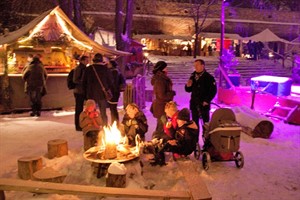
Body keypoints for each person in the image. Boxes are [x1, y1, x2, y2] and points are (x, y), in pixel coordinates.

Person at [184, 59, 217, 135]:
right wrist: (187, 86)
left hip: (204, 105)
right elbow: (188, 89)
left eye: (197, 65)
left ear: (203, 66)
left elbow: (213, 91)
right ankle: (195, 142)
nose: (195, 67)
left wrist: (207, 100)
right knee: (194, 125)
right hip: (194, 104)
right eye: (194, 65)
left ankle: (207, 142)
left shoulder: (209, 78)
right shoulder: (192, 76)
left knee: (205, 125)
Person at [83, 53, 115, 126]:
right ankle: (105, 126)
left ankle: (92, 126)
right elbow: (111, 81)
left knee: (91, 111)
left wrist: (85, 94)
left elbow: (84, 82)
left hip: (91, 94)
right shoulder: (106, 69)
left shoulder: (88, 69)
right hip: (102, 94)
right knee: (103, 112)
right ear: (101, 60)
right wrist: (107, 88)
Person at [151, 61, 176, 139]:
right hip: (161, 107)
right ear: (162, 69)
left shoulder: (162, 78)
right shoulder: (160, 80)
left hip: (163, 107)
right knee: (161, 128)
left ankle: (159, 143)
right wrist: (171, 93)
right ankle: (157, 144)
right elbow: (161, 95)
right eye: (165, 67)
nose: (167, 69)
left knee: (162, 126)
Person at [107, 59, 126, 125]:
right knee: (113, 108)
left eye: (109, 64)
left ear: (111, 64)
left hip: (113, 92)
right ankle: (115, 122)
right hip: (115, 92)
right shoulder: (118, 71)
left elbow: (113, 83)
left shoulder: (113, 72)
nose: (107, 65)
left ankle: (115, 123)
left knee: (113, 109)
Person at [73, 55, 89, 131]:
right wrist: (83, 82)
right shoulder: (79, 69)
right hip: (79, 91)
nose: (88, 62)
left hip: (81, 91)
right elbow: (75, 80)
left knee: (80, 109)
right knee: (79, 109)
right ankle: (78, 125)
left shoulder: (83, 68)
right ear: (82, 61)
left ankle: (81, 124)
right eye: (86, 60)